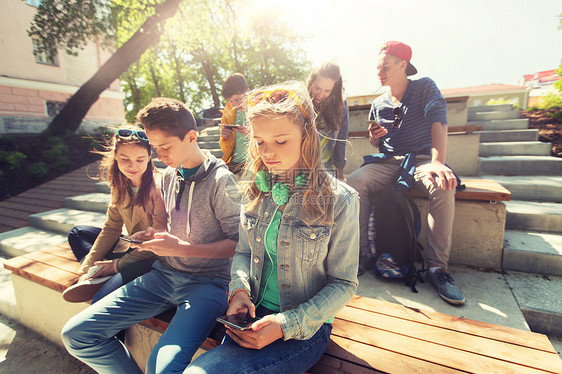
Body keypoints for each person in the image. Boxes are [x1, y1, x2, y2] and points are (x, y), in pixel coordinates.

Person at [185, 82, 360, 374]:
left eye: (281, 141)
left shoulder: (340, 200)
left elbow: (343, 284)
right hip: (252, 318)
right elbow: (242, 252)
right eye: (260, 141)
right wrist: (239, 291)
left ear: (306, 136)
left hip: (303, 328)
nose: (268, 152)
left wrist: (283, 325)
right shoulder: (256, 190)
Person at [61, 97, 241, 373]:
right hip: (162, 276)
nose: (159, 155)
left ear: (191, 137)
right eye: (155, 148)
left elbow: (238, 244)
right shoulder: (169, 176)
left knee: (161, 367)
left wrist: (182, 249)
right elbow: (172, 228)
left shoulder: (221, 181)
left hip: (208, 285)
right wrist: (153, 235)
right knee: (76, 335)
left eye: (165, 147)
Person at [347, 41, 465, 305]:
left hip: (422, 159)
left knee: (443, 184)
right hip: (389, 161)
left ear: (403, 65)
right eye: (377, 68)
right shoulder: (378, 103)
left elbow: (439, 122)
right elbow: (378, 143)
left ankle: (437, 269)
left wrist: (438, 162)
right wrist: (373, 137)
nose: (379, 72)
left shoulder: (424, 87)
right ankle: (365, 254)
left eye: (385, 67)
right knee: (354, 182)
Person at [63, 126, 167, 303]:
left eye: (140, 159)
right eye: (125, 159)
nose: (132, 166)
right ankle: (98, 274)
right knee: (78, 233)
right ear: (115, 157)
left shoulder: (160, 186)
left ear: (150, 157)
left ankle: (109, 275)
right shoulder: (120, 185)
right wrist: (87, 268)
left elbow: (157, 241)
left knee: (100, 301)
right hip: (128, 246)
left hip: (151, 256)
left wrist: (116, 265)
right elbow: (111, 228)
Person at [307, 61, 349, 179]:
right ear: (311, 82)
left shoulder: (342, 107)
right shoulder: (301, 103)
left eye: (327, 91)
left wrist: (340, 174)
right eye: (317, 88)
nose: (320, 94)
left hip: (328, 170)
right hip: (304, 170)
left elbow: (341, 140)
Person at [220, 73, 250, 174]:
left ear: (248, 92)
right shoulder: (229, 109)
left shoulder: (259, 108)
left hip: (255, 162)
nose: (235, 105)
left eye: (238, 100)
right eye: (231, 101)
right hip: (235, 162)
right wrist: (225, 137)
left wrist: (252, 133)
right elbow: (224, 148)